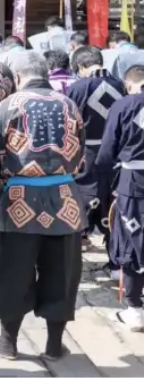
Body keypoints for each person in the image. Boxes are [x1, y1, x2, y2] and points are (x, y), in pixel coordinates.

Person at [0, 49, 86, 361]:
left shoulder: (8, 106)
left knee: (15, 271)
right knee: (63, 272)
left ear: (17, 77)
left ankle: (8, 341)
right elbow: (80, 153)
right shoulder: (69, 105)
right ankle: (54, 344)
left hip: (20, 201)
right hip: (65, 198)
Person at [65, 45, 125, 274]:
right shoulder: (121, 85)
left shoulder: (78, 87)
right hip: (115, 156)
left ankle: (71, 263)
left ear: (80, 66)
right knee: (113, 208)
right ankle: (116, 263)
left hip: (85, 156)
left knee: (78, 206)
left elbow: (68, 122)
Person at [97, 65, 144, 330]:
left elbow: (107, 149)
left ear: (129, 84)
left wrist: (102, 183)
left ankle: (135, 309)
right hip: (133, 177)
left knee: (132, 238)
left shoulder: (125, 105)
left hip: (134, 182)